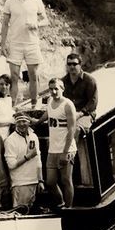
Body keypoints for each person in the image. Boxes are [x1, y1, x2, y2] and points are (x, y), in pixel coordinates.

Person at [0, 0, 47, 109]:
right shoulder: (10, 2)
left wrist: (36, 24)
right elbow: (4, 24)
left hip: (32, 43)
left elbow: (45, 20)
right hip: (15, 44)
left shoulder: (37, 1)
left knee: (33, 75)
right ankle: (12, 107)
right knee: (14, 76)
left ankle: (34, 105)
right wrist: (3, 44)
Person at [43, 77, 77, 209]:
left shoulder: (68, 105)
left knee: (66, 180)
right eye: (51, 89)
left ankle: (68, 208)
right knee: (50, 182)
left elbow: (71, 130)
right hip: (53, 149)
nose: (53, 92)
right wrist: (37, 121)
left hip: (66, 149)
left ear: (62, 89)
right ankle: (60, 202)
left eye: (56, 88)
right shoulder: (50, 101)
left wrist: (65, 152)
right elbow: (48, 114)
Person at [4, 111, 42, 212]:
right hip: (20, 183)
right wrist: (28, 157)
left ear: (29, 122)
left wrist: (40, 180)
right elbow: (11, 165)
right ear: (15, 124)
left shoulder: (34, 137)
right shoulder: (10, 140)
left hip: (34, 182)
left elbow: (38, 160)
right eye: (19, 122)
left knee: (31, 212)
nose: (21, 124)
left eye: (24, 121)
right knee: (19, 213)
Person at [62, 52, 98, 118]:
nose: (72, 66)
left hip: (86, 114)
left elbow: (93, 102)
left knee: (76, 128)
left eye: (74, 64)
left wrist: (80, 113)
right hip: (69, 113)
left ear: (80, 65)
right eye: (69, 64)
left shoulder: (89, 81)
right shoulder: (63, 81)